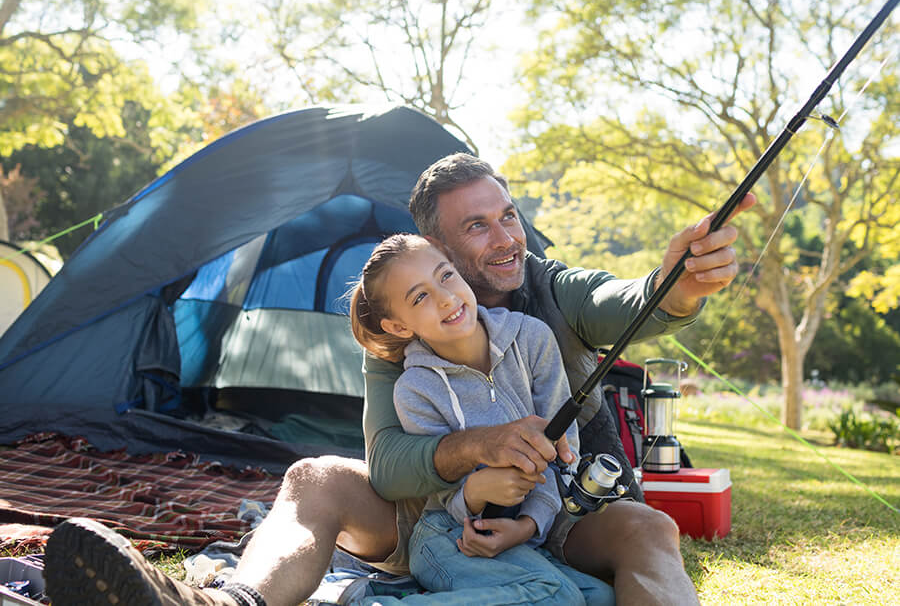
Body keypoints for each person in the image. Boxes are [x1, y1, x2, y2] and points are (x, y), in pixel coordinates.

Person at [44, 153, 754, 606]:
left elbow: (633, 302)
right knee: (316, 475)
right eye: (477, 228)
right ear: (432, 250)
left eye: (509, 216)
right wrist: (481, 448)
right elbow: (386, 463)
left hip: (565, 514)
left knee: (650, 527)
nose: (506, 239)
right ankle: (227, 603)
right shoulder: (399, 333)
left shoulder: (548, 290)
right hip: (429, 520)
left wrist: (680, 284)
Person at [348, 233, 615, 605]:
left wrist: (527, 525)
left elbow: (563, 451)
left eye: (445, 276)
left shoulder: (532, 339)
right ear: (398, 327)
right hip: (447, 535)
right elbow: (441, 492)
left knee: (601, 597)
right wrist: (474, 493)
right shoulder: (415, 389)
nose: (444, 297)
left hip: (515, 536)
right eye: (420, 297)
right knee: (558, 598)